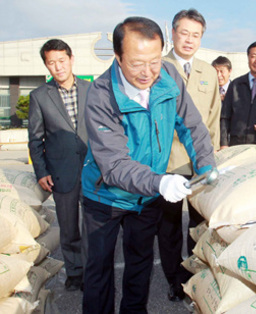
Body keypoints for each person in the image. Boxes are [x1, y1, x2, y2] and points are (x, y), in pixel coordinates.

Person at [80, 16, 215, 314]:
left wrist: (205, 166)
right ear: (118, 56)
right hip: (105, 197)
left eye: (154, 61)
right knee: (99, 270)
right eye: (137, 63)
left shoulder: (168, 74)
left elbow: (191, 125)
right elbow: (114, 165)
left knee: (140, 264)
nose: (148, 72)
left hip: (147, 198)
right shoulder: (102, 95)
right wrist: (160, 182)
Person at [159, 8, 221, 302]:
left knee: (198, 224)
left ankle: (197, 274)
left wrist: (212, 157)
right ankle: (174, 279)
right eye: (184, 33)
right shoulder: (157, 67)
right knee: (169, 225)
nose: (189, 40)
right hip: (166, 162)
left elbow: (212, 118)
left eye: (196, 35)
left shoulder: (208, 72)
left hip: (198, 164)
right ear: (172, 33)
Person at [28, 39, 89, 292]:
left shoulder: (92, 89)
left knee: (95, 226)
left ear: (71, 59)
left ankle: (94, 269)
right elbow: (35, 138)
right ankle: (75, 272)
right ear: (46, 65)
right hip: (60, 173)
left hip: (94, 170)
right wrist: (41, 171)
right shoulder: (40, 96)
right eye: (51, 62)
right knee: (68, 226)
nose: (58, 67)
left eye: (61, 60)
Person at [220, 41, 256, 148]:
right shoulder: (235, 85)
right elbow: (225, 117)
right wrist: (223, 144)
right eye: (253, 56)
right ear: (248, 58)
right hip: (236, 147)